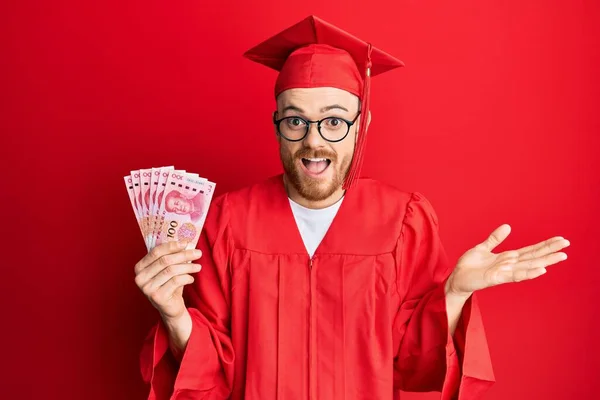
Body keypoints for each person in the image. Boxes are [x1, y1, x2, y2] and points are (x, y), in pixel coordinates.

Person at [133, 16, 570, 399]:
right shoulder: (227, 221)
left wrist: (454, 292)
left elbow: (412, 361)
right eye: (295, 120)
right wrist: (174, 315)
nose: (314, 139)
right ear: (277, 126)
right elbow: (213, 371)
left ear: (362, 126)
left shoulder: (403, 220)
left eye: (335, 121)